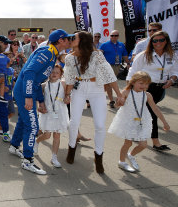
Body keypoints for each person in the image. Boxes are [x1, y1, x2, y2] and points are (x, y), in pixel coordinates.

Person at [8, 29, 73, 175]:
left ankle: (14, 146)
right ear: (61, 40)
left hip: (28, 90)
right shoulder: (47, 52)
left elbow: (37, 80)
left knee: (24, 122)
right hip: (24, 91)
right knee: (32, 126)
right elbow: (29, 73)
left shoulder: (52, 53)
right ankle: (28, 160)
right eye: (68, 39)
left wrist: (40, 100)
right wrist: (28, 96)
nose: (70, 41)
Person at [63, 31, 124, 174]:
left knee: (100, 125)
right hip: (78, 89)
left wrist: (119, 94)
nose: (70, 40)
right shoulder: (69, 58)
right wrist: (67, 94)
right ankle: (71, 149)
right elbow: (70, 78)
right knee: (74, 121)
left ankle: (98, 157)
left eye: (74, 38)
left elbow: (109, 75)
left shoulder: (97, 55)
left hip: (96, 88)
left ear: (82, 41)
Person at [127, 30, 178, 151]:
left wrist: (171, 80)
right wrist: (128, 90)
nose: (158, 43)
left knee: (144, 112)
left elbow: (175, 72)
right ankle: (156, 142)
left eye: (161, 40)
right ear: (151, 42)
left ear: (166, 41)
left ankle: (134, 131)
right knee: (152, 113)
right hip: (144, 88)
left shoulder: (172, 55)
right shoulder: (144, 55)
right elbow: (132, 72)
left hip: (160, 89)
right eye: (155, 40)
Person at [109, 71, 169, 172]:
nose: (144, 86)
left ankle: (131, 155)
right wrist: (119, 102)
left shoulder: (147, 95)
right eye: (141, 83)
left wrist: (164, 122)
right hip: (129, 120)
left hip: (141, 121)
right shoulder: (126, 92)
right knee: (128, 143)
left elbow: (155, 109)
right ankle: (122, 162)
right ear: (133, 82)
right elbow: (116, 105)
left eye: (146, 84)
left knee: (143, 145)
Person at [35, 65, 69, 168]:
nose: (54, 74)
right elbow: (39, 100)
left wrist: (68, 97)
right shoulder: (44, 85)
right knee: (47, 135)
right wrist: (39, 108)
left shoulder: (63, 84)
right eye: (52, 72)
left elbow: (68, 94)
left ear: (61, 74)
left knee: (57, 135)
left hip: (60, 112)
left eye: (57, 73)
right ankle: (36, 142)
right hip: (48, 112)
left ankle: (54, 157)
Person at [99, 30, 129, 107]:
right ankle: (111, 100)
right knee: (109, 83)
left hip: (117, 66)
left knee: (108, 84)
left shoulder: (121, 45)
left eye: (115, 35)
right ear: (110, 36)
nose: (113, 37)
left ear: (118, 36)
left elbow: (124, 55)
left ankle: (100, 96)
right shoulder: (104, 45)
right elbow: (98, 55)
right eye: (112, 35)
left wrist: (128, 63)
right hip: (107, 67)